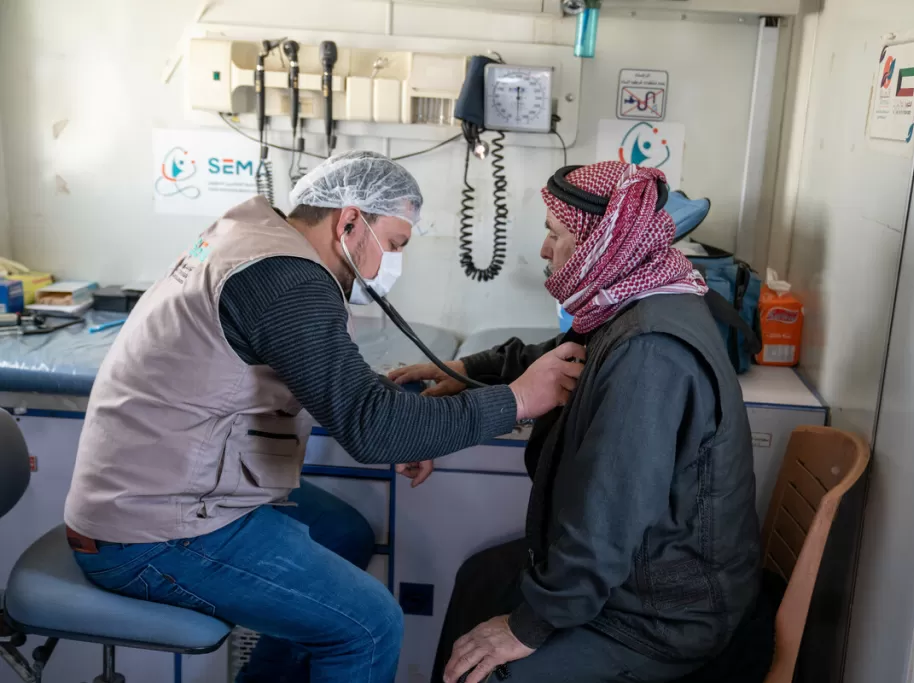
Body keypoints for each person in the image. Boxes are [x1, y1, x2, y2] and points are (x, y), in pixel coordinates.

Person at [64, 151, 584, 683]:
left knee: (343, 534)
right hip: (152, 529)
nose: (390, 264)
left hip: (157, 487)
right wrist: (517, 400)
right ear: (351, 220)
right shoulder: (286, 278)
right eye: (396, 244)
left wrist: (412, 421)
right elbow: (372, 429)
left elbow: (339, 393)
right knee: (370, 624)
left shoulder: (254, 240)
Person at [390, 161, 765, 683]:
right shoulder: (637, 299)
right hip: (635, 575)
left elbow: (608, 515)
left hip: (659, 613)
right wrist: (466, 368)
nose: (545, 250)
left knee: (483, 675)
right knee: (479, 578)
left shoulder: (650, 354)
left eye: (554, 233)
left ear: (599, 242)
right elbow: (564, 353)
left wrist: (527, 627)